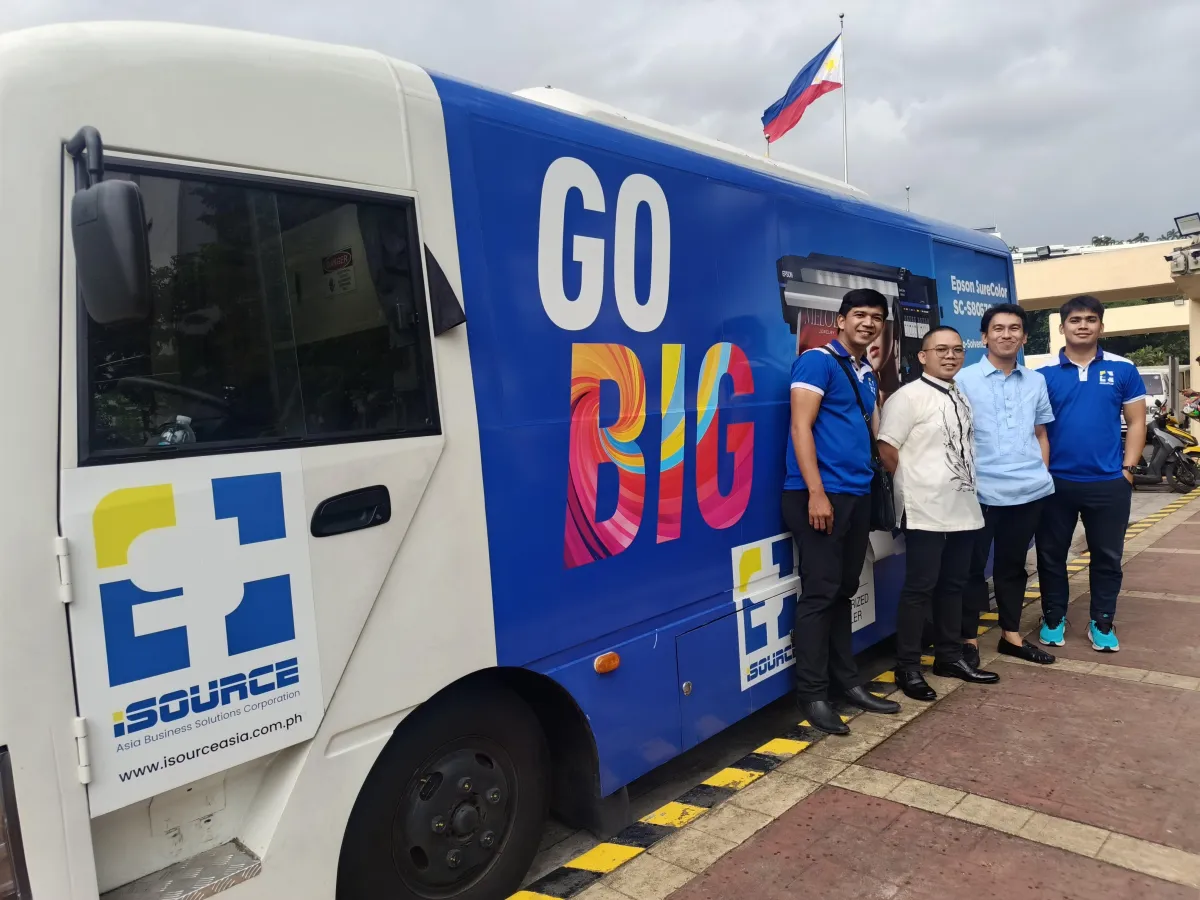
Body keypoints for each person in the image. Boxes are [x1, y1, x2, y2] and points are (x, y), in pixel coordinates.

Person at [783, 288, 902, 734]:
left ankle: (846, 682)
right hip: (819, 495)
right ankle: (813, 695)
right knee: (820, 594)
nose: (868, 323)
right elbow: (800, 426)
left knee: (844, 590)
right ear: (841, 320)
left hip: (857, 492)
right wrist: (815, 492)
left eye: (876, 317)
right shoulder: (817, 361)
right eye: (860, 315)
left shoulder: (865, 370)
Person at [877, 326, 999, 701]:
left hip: (963, 508)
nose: (950, 356)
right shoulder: (907, 397)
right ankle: (908, 667)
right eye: (941, 349)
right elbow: (886, 449)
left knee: (954, 585)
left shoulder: (959, 394)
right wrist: (917, 485)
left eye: (957, 350)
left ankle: (949, 657)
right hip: (924, 510)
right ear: (922, 356)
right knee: (920, 588)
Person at [1036, 295, 1147, 652]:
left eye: (1090, 319)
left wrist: (1127, 470)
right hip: (1055, 483)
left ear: (1101, 325)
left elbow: (1137, 421)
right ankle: (1054, 617)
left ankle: (1102, 621)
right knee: (1050, 555)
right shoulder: (1042, 374)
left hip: (1108, 483)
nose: (1082, 325)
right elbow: (1035, 429)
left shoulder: (1123, 368)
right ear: (1062, 327)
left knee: (1108, 557)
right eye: (1075, 320)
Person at [957, 303, 1057, 667]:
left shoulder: (1035, 381)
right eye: (998, 328)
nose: (1006, 334)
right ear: (984, 337)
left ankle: (1010, 636)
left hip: (1028, 493)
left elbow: (1040, 433)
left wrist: (1040, 474)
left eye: (1015, 328)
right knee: (971, 569)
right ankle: (967, 640)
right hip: (979, 493)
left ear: (1025, 337)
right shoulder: (963, 380)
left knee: (1013, 566)